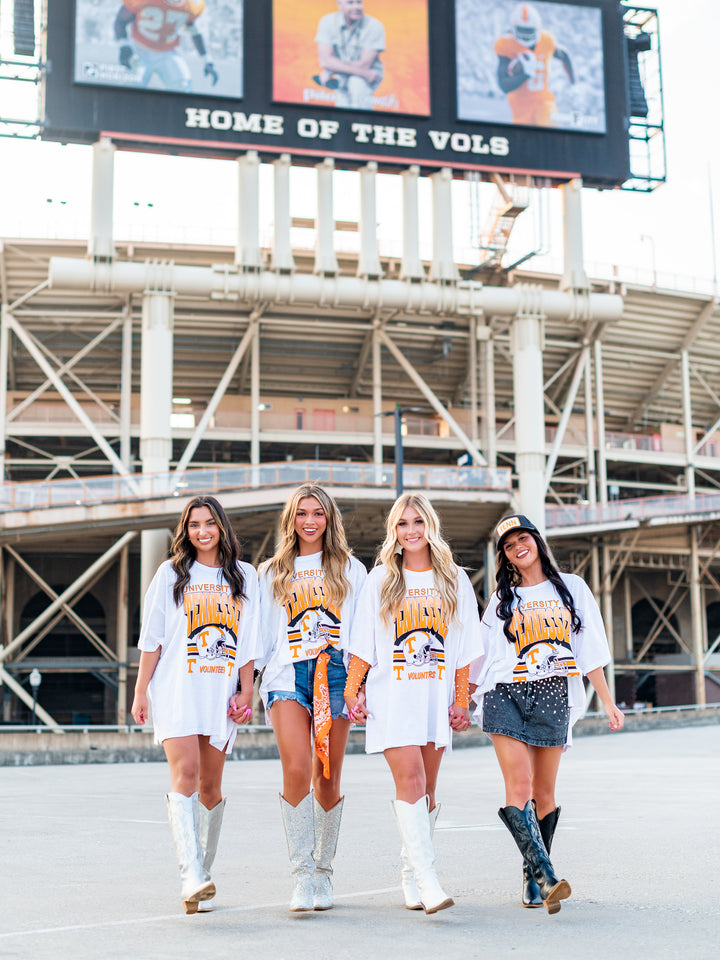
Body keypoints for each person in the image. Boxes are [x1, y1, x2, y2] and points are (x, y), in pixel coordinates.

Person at [470, 514, 624, 915]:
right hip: (506, 693)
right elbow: (482, 652)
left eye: (522, 538)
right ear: (504, 556)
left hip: (554, 693)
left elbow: (589, 647)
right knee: (518, 785)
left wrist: (607, 700)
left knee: (545, 792)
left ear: (536, 540)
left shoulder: (571, 587)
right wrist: (461, 697)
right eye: (508, 545)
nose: (517, 547)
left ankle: (531, 874)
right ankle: (547, 877)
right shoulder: (503, 599)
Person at [344, 492, 482, 914]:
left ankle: (409, 874)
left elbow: (464, 645)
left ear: (430, 526)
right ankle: (429, 880)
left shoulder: (454, 578)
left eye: (417, 522)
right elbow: (364, 641)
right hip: (393, 697)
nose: (411, 531)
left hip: (434, 700)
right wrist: (353, 688)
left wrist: (463, 700)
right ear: (394, 531)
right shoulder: (381, 577)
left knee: (429, 791)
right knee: (412, 784)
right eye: (402, 524)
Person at [131, 495, 260, 914]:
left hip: (219, 692)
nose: (202, 531)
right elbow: (154, 638)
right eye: (193, 525)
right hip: (176, 689)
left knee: (211, 786)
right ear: (185, 532)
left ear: (222, 527)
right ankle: (190, 874)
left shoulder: (245, 576)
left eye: (209, 523)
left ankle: (201, 876)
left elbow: (249, 640)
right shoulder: (171, 573)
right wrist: (139, 691)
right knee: (185, 773)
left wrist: (246, 690)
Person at [257, 483, 367, 912]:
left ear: (329, 519)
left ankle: (324, 873)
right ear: (291, 519)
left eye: (317, 513)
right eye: (301, 513)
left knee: (328, 773)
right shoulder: (272, 571)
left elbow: (360, 633)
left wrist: (358, 685)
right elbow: (263, 635)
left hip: (336, 674)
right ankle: (302, 875)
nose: (309, 521)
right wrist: (248, 682)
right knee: (297, 767)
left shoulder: (349, 568)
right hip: (287, 674)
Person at [495, 2, 574, 127]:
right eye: (522, 30)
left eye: (529, 30)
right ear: (513, 28)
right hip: (520, 106)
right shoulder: (506, 45)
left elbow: (565, 56)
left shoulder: (546, 41)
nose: (526, 35)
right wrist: (525, 74)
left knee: (550, 126)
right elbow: (504, 85)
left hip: (543, 101)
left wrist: (574, 84)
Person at [114, 0, 218, 93]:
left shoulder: (191, 5)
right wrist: (124, 45)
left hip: (167, 53)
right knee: (130, 90)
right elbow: (120, 21)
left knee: (185, 89)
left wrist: (207, 59)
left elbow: (194, 32)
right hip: (140, 49)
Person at [314, 0, 385, 109]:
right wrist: (365, 73)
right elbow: (325, 61)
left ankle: (363, 123)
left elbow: (364, 64)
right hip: (355, 73)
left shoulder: (374, 25)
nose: (356, 7)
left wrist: (331, 70)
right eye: (350, 3)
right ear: (340, 5)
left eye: (359, 2)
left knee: (356, 83)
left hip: (366, 77)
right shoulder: (327, 22)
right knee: (342, 104)